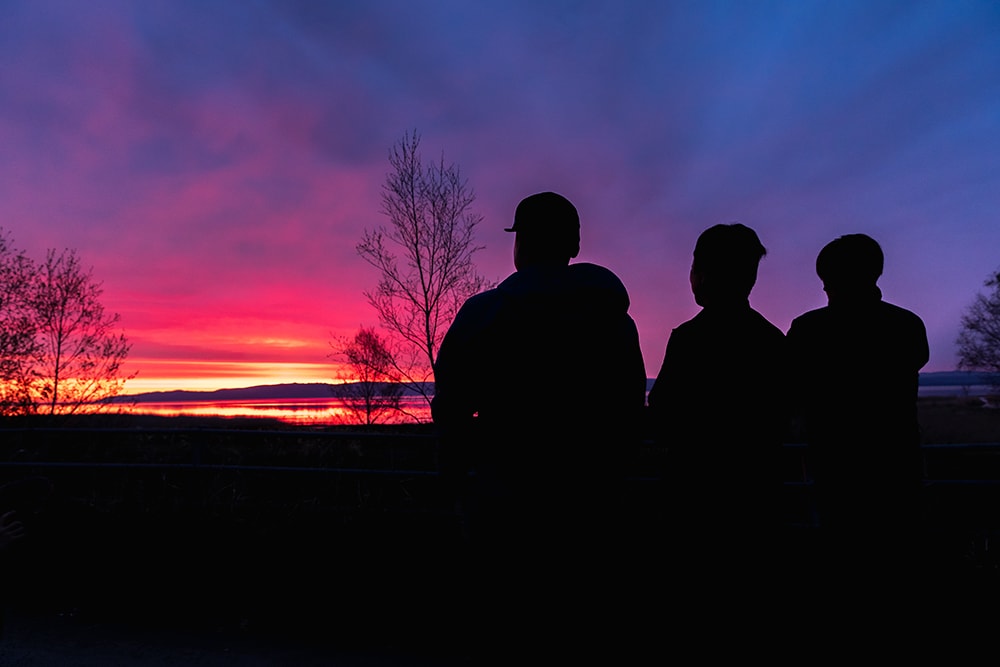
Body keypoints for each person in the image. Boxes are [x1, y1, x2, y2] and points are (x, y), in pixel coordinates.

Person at [431, 191, 647, 662]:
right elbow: (632, 408)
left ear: (521, 243)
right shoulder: (612, 318)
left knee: (509, 622)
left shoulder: (486, 313)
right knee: (582, 624)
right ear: (574, 243)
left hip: (504, 499)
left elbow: (450, 409)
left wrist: (454, 484)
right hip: (593, 498)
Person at [646, 223, 788, 637]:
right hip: (757, 491)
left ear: (703, 274)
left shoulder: (690, 339)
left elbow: (664, 411)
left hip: (694, 491)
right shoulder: (771, 341)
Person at [786, 233, 929, 615]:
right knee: (897, 565)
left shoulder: (808, 330)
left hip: (835, 467)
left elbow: (790, 389)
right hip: (898, 465)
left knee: (842, 565)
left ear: (826, 278)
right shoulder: (907, 326)